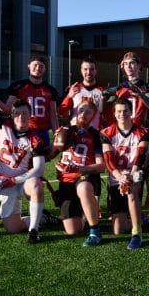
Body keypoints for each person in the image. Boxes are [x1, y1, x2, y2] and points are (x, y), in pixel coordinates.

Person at [0, 69, 51, 244]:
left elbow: (38, 169)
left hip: (22, 181)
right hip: (4, 182)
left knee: (37, 185)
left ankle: (34, 230)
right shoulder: (3, 126)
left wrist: (16, 180)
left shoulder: (35, 139)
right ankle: (42, 218)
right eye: (17, 114)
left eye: (25, 113)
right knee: (12, 228)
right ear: (12, 115)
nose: (21, 117)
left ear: (30, 115)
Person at [51, 100, 105, 247]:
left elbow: (101, 166)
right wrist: (56, 143)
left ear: (94, 115)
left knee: (83, 187)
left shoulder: (96, 136)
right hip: (66, 181)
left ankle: (95, 231)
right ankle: (85, 212)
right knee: (73, 230)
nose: (83, 114)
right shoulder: (66, 131)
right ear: (76, 112)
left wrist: (79, 169)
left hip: (85, 177)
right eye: (81, 110)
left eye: (88, 111)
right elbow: (49, 156)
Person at [100, 97, 149, 250]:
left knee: (130, 190)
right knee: (118, 229)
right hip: (117, 177)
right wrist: (120, 177)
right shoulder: (106, 133)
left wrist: (130, 175)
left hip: (134, 174)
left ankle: (137, 233)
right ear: (114, 113)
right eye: (119, 111)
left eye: (126, 111)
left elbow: (140, 157)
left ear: (132, 112)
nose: (123, 114)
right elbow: (109, 160)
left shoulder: (143, 132)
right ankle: (141, 219)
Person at [0, 55, 59, 148]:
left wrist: (56, 133)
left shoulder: (50, 90)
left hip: (42, 132)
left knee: (41, 161)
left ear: (45, 69)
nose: (38, 68)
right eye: (35, 65)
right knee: (21, 160)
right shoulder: (18, 86)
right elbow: (7, 110)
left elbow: (53, 114)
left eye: (41, 66)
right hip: (23, 130)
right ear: (28, 66)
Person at [111, 52, 149, 128]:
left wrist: (140, 94)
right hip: (121, 128)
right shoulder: (120, 87)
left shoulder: (145, 87)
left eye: (132, 63)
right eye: (125, 63)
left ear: (139, 65)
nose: (128, 66)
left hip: (138, 129)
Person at [58, 56, 106, 130]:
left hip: (95, 134)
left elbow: (107, 116)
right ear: (81, 70)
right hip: (75, 133)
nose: (88, 72)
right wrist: (69, 96)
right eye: (85, 69)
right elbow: (62, 113)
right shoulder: (73, 89)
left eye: (91, 69)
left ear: (96, 71)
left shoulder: (103, 91)